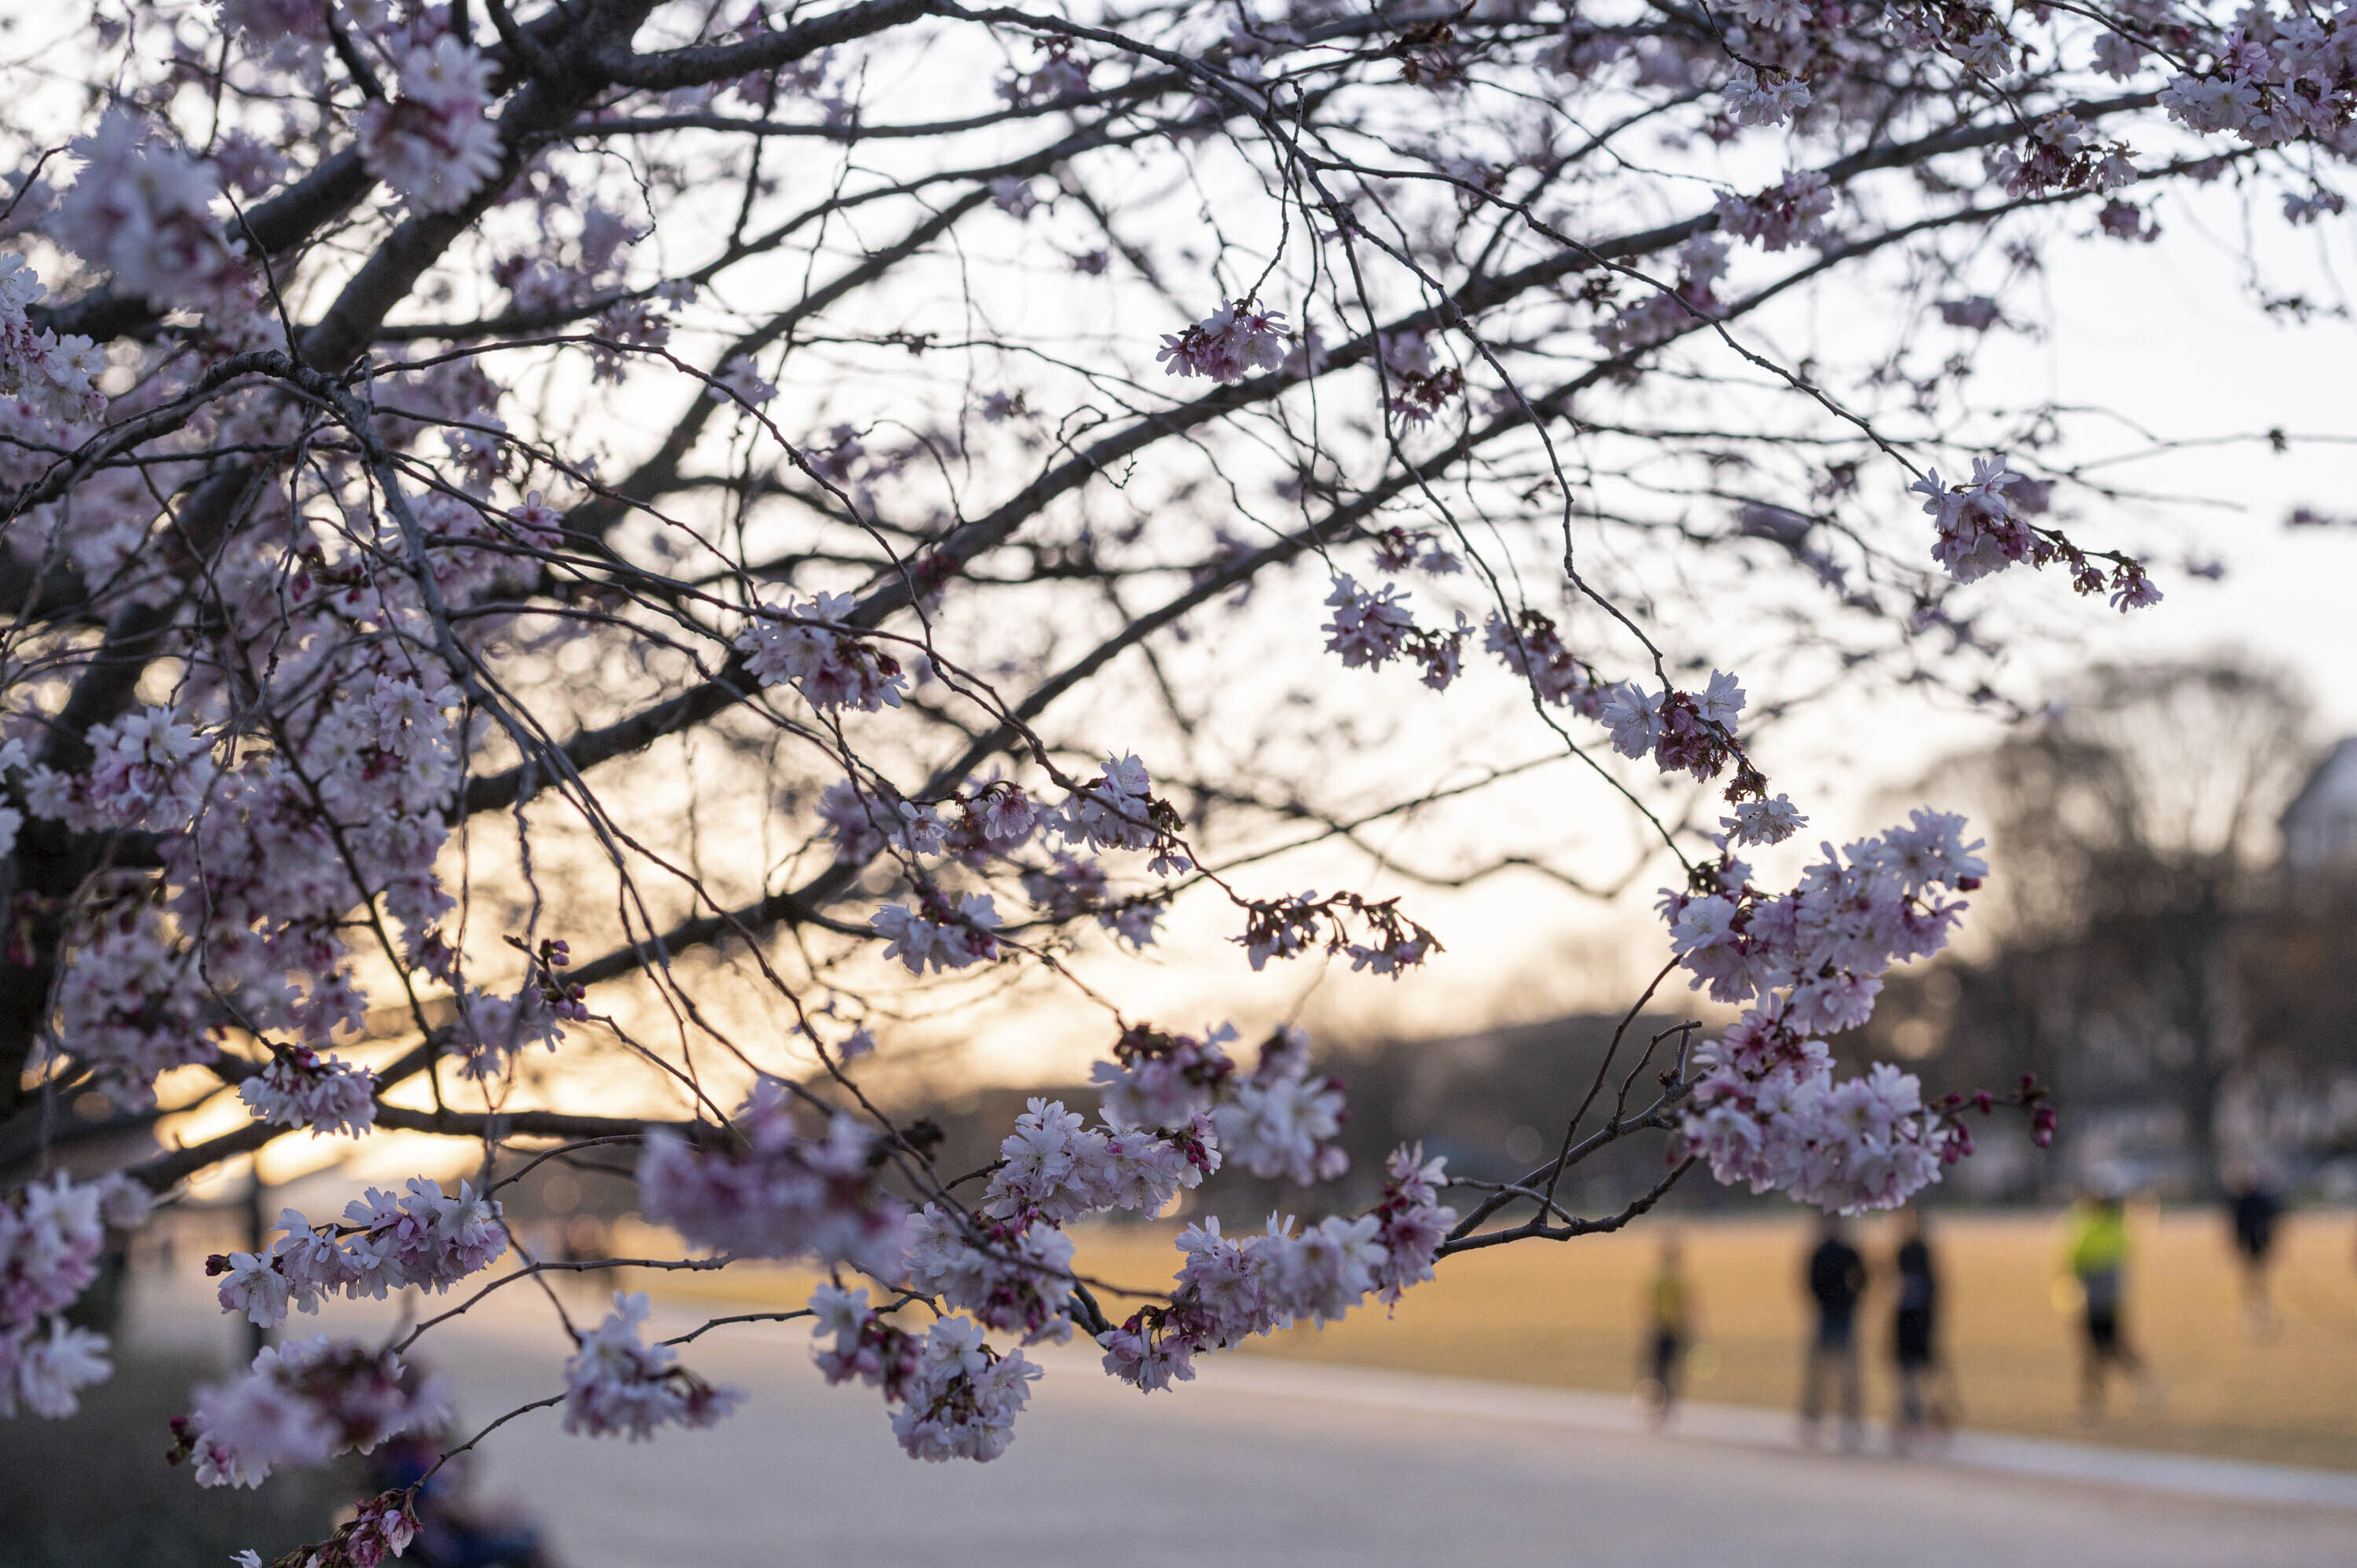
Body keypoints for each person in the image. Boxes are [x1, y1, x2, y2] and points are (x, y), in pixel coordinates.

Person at [2062, 1188, 2149, 1423]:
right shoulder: (2108, 1230)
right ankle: (2096, 1398)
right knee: (2103, 1351)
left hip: (2101, 1303)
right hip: (2099, 1302)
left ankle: (2096, 1399)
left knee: (2105, 1350)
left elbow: (2074, 1262)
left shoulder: (2095, 1230)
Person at [1800, 1214, 1867, 1450]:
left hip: (1843, 1316)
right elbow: (1810, 1281)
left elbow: (1863, 1278)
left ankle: (1849, 1422)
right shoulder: (1821, 1252)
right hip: (1827, 1315)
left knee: (1847, 1375)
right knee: (1818, 1373)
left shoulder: (1848, 1251)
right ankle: (1812, 1420)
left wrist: (1851, 1299)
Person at [1890, 1207, 1948, 1453]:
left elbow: (1930, 1289)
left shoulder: (1919, 1253)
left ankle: (1925, 1417)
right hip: (1908, 1319)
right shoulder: (1906, 1252)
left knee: (1921, 1371)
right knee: (1910, 1372)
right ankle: (1913, 1416)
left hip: (1918, 1320)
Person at [1637, 1233, 1692, 1430]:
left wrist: (1646, 1331)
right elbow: (1688, 1307)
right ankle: (1666, 1407)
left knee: (1657, 1372)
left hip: (1661, 1330)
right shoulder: (1678, 1280)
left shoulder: (1659, 1279)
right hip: (1672, 1331)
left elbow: (1648, 1307)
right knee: (1669, 1371)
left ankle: (1658, 1407)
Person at [2223, 1160, 2285, 1338]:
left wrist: (2267, 1237)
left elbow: (2272, 1220)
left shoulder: (2259, 1199)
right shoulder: (2241, 1201)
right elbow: (2236, 1224)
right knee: (2252, 1277)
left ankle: (2259, 1308)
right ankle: (2253, 1309)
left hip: (2259, 1243)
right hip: (2250, 1244)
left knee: (2257, 1277)